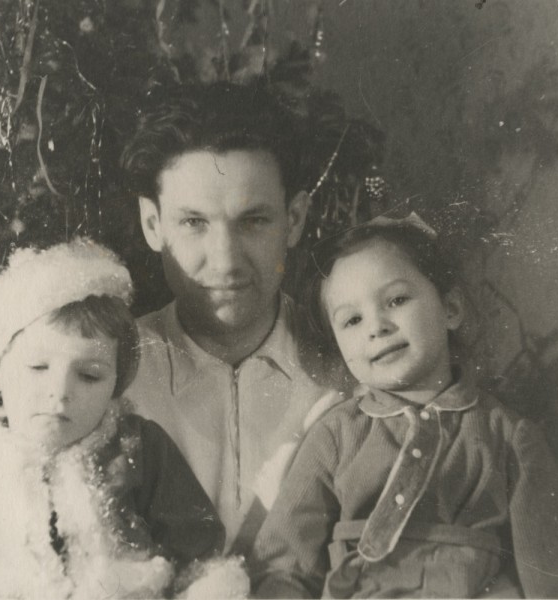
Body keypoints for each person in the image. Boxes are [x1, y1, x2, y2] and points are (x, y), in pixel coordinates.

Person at [0, 239, 241, 599]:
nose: (59, 392)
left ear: (116, 384)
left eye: (89, 375)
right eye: (38, 367)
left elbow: (200, 555)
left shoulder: (139, 450)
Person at [249, 214, 558, 598]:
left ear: (450, 309)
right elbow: (283, 564)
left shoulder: (508, 437)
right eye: (352, 320)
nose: (376, 327)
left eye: (396, 300)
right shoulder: (335, 436)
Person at [120, 83, 344, 552]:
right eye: (194, 222)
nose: (225, 261)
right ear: (152, 224)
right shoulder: (108, 376)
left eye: (254, 220)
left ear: (295, 218)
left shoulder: (351, 371)